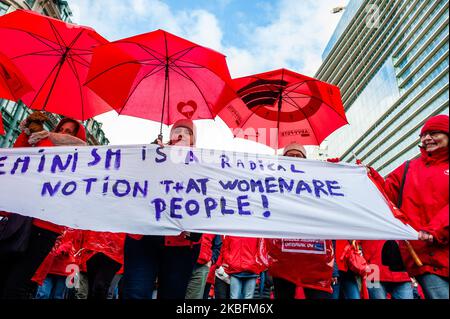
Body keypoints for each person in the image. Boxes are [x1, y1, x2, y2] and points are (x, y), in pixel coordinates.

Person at [0, 116, 86, 299]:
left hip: (45, 229)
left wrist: (46, 138)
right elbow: (17, 156)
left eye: (68, 132)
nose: (62, 134)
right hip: (19, 220)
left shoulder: (78, 158)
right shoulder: (42, 143)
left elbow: (50, 161)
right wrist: (27, 133)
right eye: (61, 129)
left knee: (16, 285)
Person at [369, 114, 449, 299]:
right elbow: (384, 194)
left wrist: (435, 229)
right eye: (423, 135)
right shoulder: (408, 168)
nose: (427, 138)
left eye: (434, 132)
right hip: (425, 255)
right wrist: (367, 175)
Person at [122, 119, 202, 299]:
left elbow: (208, 199)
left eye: (187, 132)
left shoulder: (203, 164)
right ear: (170, 136)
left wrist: (199, 226)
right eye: (177, 130)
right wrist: (147, 156)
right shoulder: (153, 154)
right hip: (143, 238)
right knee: (135, 293)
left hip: (181, 243)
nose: (181, 134)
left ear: (193, 140)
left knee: (172, 295)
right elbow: (128, 181)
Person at [267, 143, 334, 300]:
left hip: (316, 260)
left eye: (298, 156)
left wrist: (335, 172)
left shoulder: (317, 181)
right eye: (290, 156)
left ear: (306, 160)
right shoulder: (273, 183)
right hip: (283, 258)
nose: (294, 160)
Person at [185, 234, 222, 299]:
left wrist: (211, 260)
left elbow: (218, 246)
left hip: (201, 265)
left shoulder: (212, 225)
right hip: (181, 262)